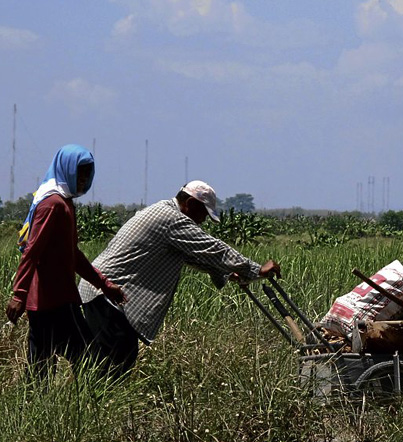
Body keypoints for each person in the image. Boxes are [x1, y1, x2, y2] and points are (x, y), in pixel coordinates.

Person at [78, 180, 281, 377]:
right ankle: (95, 404)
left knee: (113, 359)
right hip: (106, 292)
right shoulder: (171, 219)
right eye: (203, 214)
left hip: (103, 291)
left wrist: (228, 272)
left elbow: (192, 256)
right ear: (191, 203)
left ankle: (95, 401)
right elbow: (213, 249)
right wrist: (257, 270)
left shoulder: (165, 213)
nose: (202, 221)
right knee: (115, 361)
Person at [6, 144, 126, 378]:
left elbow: (73, 255)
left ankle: (36, 409)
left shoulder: (63, 203)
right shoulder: (54, 205)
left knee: (40, 365)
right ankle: (91, 407)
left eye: (87, 173)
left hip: (45, 301)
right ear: (66, 169)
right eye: (79, 172)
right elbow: (32, 251)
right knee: (88, 360)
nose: (83, 179)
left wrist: (104, 284)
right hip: (55, 299)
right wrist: (18, 294)